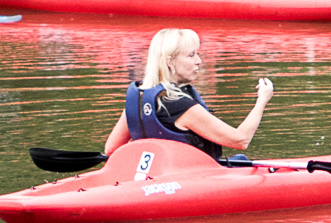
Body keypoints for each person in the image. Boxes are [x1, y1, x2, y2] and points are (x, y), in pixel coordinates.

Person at [103, 27, 273, 161]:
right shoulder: (179, 105)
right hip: (193, 179)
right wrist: (262, 101)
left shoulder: (138, 99)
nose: (198, 61)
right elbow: (240, 140)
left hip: (156, 177)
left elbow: (111, 149)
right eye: (191, 55)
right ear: (170, 62)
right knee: (241, 158)